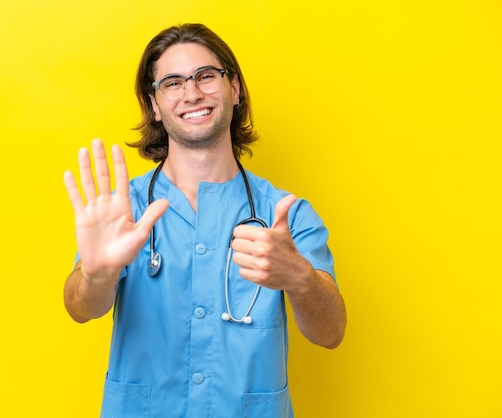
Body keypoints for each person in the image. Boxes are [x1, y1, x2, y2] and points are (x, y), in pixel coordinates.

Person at [63, 23, 346, 418]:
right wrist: (96, 274)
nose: (192, 93)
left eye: (206, 76)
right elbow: (81, 308)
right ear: (154, 106)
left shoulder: (287, 215)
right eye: (173, 83)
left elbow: (331, 333)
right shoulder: (124, 210)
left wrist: (299, 277)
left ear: (235, 89)